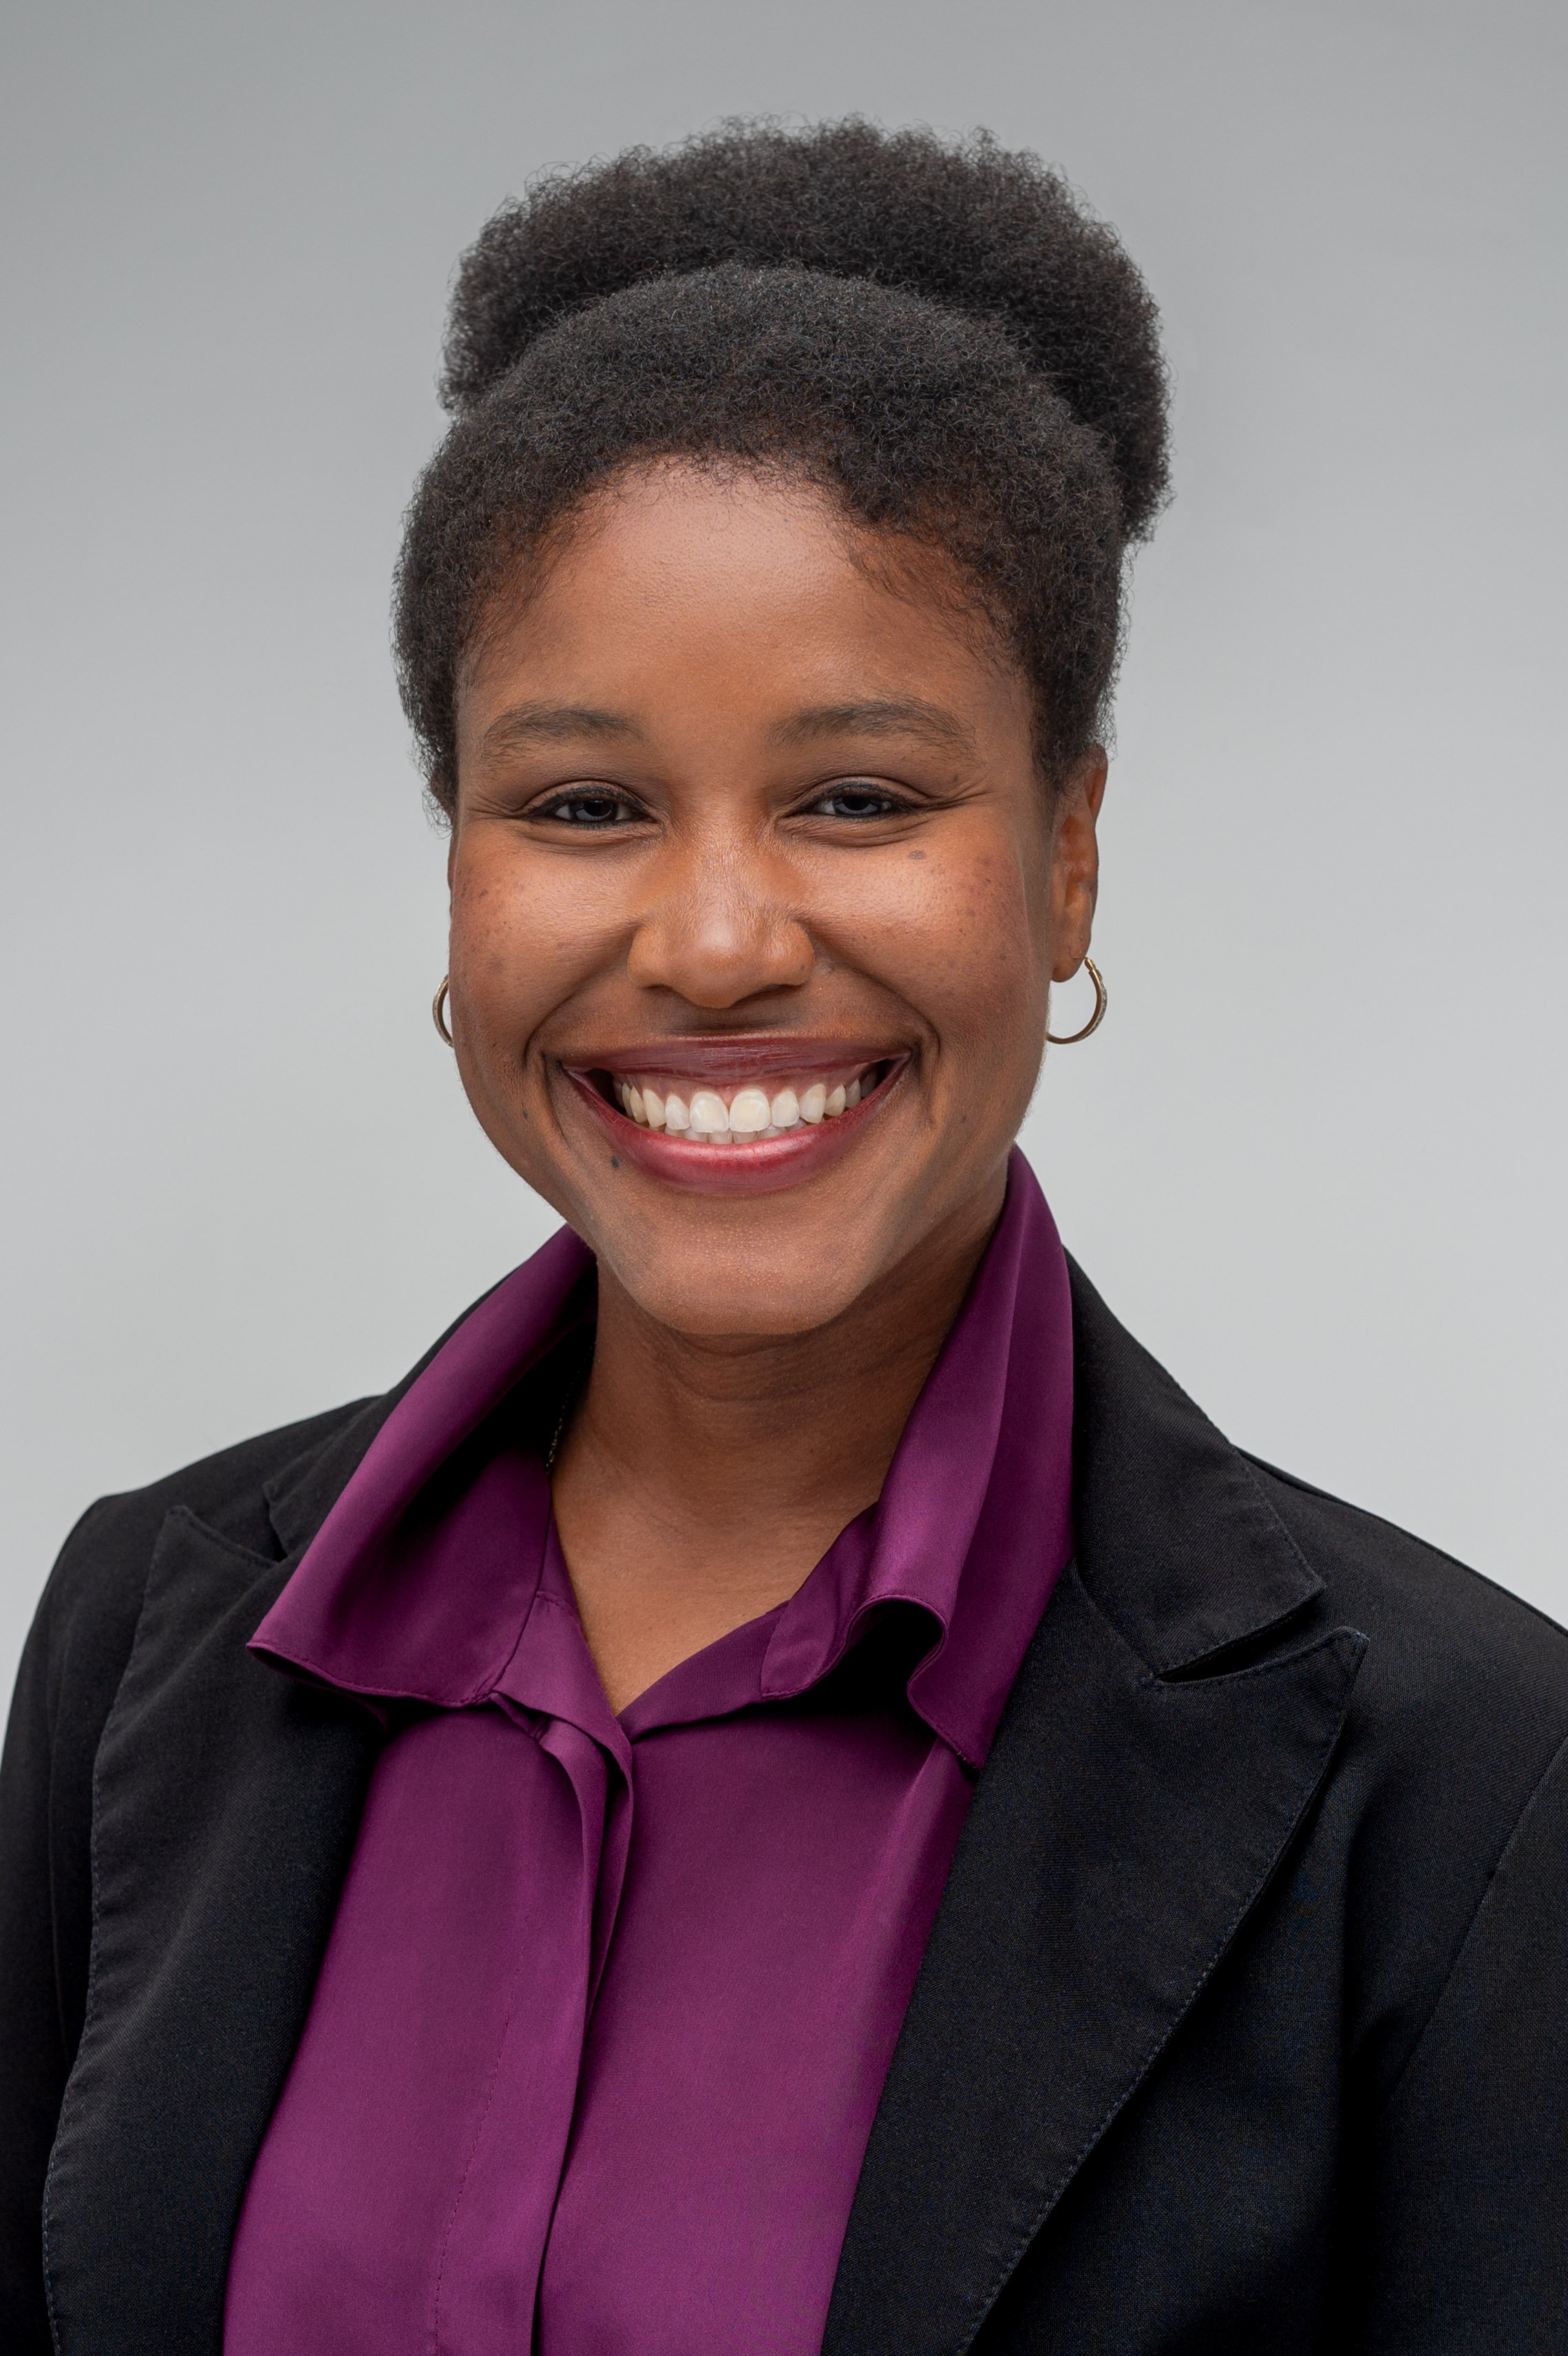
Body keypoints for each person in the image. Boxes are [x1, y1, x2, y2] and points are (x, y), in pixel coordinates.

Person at [2, 119, 1565, 2356]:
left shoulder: (1468, 1789)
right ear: (454, 865)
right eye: (579, 804)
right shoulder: (142, 1632)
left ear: (1067, 862)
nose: (717, 940)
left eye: (858, 796)